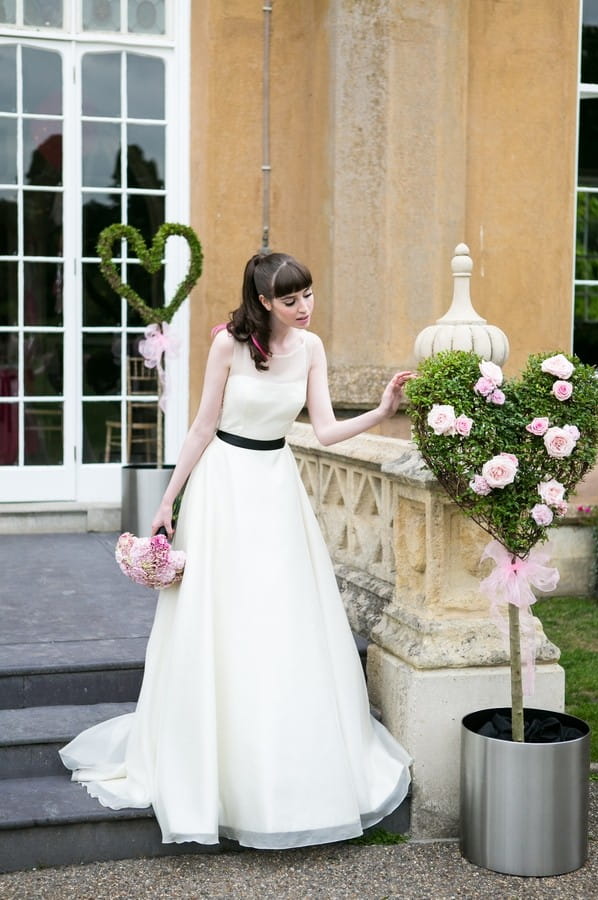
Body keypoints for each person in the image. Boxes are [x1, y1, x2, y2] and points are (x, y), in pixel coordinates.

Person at [60, 252, 413, 849]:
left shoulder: (313, 348)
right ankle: (208, 762)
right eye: (292, 299)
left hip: (276, 486)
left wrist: (380, 412)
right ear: (265, 302)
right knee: (219, 618)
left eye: (309, 295)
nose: (306, 307)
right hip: (224, 486)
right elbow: (201, 427)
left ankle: (280, 762)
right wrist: (169, 498)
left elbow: (323, 430)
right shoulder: (228, 344)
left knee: (281, 618)